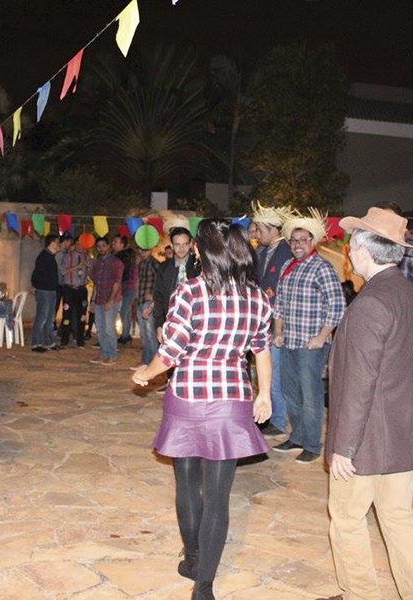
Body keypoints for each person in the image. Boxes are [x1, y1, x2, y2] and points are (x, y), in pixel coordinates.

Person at [133, 220, 273, 600]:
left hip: (188, 399)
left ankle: (193, 559)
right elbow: (261, 349)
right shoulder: (256, 297)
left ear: (205, 251)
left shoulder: (190, 292)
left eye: (196, 245)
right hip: (231, 401)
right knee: (217, 498)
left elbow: (171, 350)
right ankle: (204, 585)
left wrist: (145, 373)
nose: (193, 249)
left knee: (186, 484)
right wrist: (264, 395)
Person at [316, 207, 413, 600]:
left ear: (365, 251)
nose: (348, 252)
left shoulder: (370, 303)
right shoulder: (406, 293)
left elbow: (359, 383)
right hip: (402, 435)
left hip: (366, 441)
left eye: (351, 245)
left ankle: (360, 594)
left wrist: (345, 447)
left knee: (347, 519)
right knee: (400, 520)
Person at [273, 209, 345, 463]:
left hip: (311, 345)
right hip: (289, 341)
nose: (298, 244)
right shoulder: (287, 266)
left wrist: (322, 336)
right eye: (294, 240)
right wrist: (278, 332)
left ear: (312, 241)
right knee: (290, 392)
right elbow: (280, 304)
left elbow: (337, 306)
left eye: (303, 240)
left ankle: (313, 445)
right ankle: (298, 437)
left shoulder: (322, 268)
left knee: (310, 395)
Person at [251, 202, 294, 437]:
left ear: (273, 230)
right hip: (264, 320)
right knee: (266, 372)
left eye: (260, 230)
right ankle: (271, 416)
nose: (257, 234)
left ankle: (278, 420)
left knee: (274, 374)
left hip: (278, 323)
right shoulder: (263, 251)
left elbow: (282, 291)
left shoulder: (286, 251)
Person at [153, 227, 199, 392]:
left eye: (185, 244)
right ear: (172, 245)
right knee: (171, 350)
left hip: (196, 318)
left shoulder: (199, 266)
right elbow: (158, 297)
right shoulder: (164, 268)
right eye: (177, 244)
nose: (181, 248)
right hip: (171, 317)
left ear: (191, 244)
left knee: (192, 353)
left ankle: (191, 386)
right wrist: (159, 324)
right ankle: (171, 384)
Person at [89, 237, 123, 366]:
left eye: (103, 245)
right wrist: (92, 301)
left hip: (111, 300)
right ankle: (103, 353)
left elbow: (117, 283)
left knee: (109, 328)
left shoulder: (116, 262)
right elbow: (96, 284)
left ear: (108, 246)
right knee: (100, 328)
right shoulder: (97, 263)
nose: (101, 248)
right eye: (98, 246)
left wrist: (110, 300)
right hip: (99, 299)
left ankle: (112, 355)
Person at [30, 233, 60, 353]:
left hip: (51, 291)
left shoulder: (51, 256)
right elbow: (36, 274)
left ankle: (49, 342)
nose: (58, 245)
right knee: (42, 317)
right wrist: (35, 286)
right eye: (57, 242)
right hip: (44, 291)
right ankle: (36, 343)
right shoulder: (44, 256)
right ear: (52, 243)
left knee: (50, 318)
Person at [57, 235, 88, 348]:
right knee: (67, 315)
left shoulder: (87, 257)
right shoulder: (67, 256)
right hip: (69, 289)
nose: (80, 247)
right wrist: (77, 266)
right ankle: (64, 339)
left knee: (82, 315)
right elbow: (63, 271)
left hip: (81, 289)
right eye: (78, 244)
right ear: (74, 245)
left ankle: (80, 339)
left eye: (82, 244)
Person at [133, 247, 160, 368]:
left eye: (145, 250)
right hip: (140, 301)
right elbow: (139, 282)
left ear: (150, 250)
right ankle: (146, 360)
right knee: (144, 334)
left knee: (150, 334)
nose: (142, 252)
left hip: (149, 303)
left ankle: (153, 363)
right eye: (140, 250)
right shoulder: (141, 263)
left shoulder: (155, 263)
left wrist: (154, 297)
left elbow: (162, 281)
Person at [373, 201, 413, 282]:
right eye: (379, 221)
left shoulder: (409, 251)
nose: (384, 226)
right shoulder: (373, 249)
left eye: (390, 221)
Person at [112, 234, 136, 345]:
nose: (113, 244)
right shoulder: (126, 256)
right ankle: (126, 335)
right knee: (126, 312)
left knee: (124, 312)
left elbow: (120, 274)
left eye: (116, 242)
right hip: (127, 287)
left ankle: (125, 335)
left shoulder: (121, 256)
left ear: (123, 245)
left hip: (126, 287)